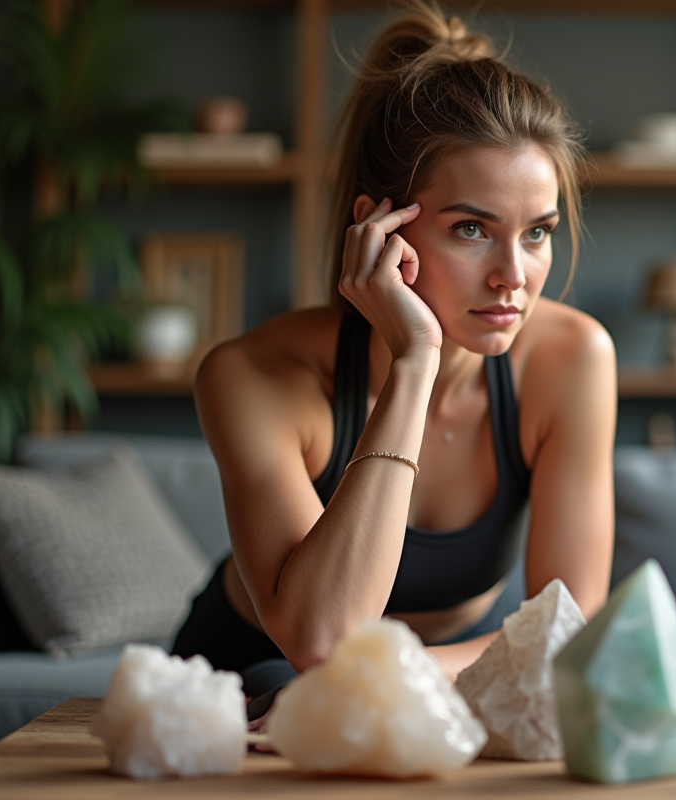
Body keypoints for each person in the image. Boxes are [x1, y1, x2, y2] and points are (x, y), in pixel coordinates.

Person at [171, 0, 616, 718]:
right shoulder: (253, 376)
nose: (513, 275)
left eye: (537, 233)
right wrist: (416, 362)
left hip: (437, 683)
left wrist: (395, 677)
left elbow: (566, 630)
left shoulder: (572, 358)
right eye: (471, 228)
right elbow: (319, 641)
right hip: (252, 684)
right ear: (378, 230)